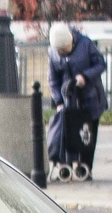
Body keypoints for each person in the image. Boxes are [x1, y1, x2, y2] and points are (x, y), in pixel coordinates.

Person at [46, 21, 107, 181]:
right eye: (60, 51)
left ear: (71, 41)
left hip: (90, 97)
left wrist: (85, 76)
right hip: (68, 100)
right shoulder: (53, 53)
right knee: (68, 132)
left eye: (66, 49)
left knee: (88, 133)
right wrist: (58, 101)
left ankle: (86, 167)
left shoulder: (85, 44)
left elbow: (100, 64)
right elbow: (53, 79)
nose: (64, 53)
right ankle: (67, 164)